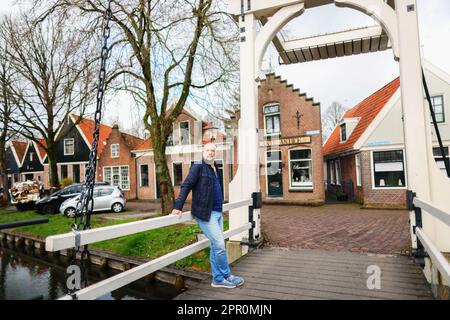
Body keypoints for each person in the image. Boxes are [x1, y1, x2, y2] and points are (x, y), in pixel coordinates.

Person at [171, 142, 244, 289]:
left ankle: (217, 279)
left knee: (214, 246)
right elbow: (186, 185)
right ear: (202, 151)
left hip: (217, 212)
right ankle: (227, 275)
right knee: (220, 245)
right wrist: (178, 206)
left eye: (213, 150)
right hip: (206, 214)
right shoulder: (198, 166)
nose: (210, 152)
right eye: (208, 150)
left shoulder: (214, 167)